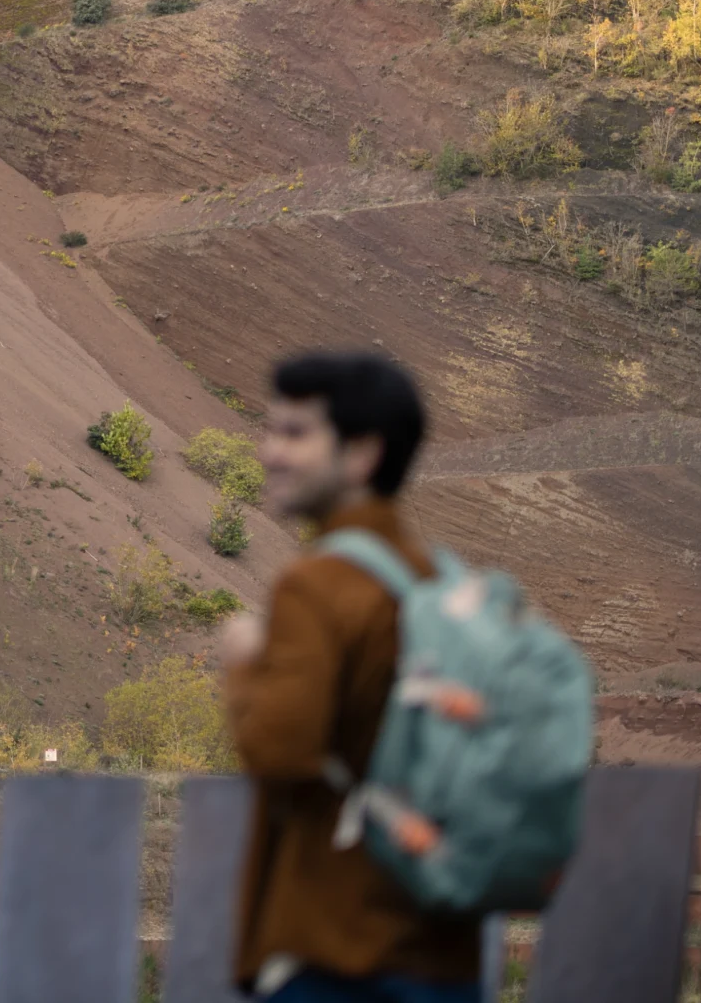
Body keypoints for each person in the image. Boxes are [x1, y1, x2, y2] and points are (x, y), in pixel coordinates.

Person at [218, 351, 482, 1003]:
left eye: (295, 433)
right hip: (445, 952)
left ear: (362, 454)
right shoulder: (440, 582)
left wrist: (245, 667)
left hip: (338, 952)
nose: (269, 451)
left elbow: (279, 753)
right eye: (270, 429)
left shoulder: (319, 585)